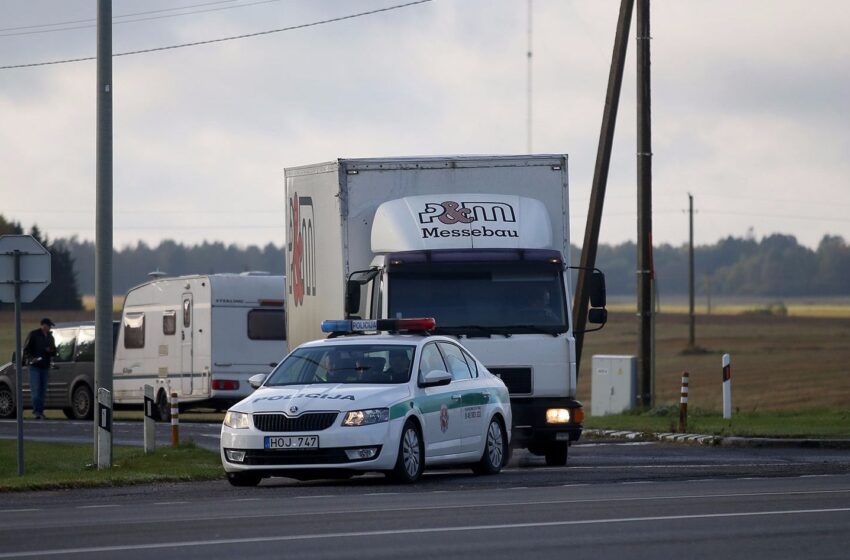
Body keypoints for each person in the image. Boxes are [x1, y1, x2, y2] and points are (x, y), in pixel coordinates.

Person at [23, 318, 56, 420]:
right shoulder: (34, 334)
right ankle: (37, 411)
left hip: (45, 367)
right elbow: (26, 349)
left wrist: (50, 350)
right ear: (43, 325)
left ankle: (40, 412)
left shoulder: (50, 337)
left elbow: (54, 351)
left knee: (42, 391)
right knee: (36, 390)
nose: (49, 328)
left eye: (50, 326)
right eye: (48, 326)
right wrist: (30, 359)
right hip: (35, 367)